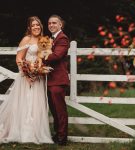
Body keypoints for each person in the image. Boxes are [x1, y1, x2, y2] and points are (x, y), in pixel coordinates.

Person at [0, 16, 53, 144]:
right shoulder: (26, 39)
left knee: (36, 105)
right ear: (29, 27)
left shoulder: (43, 39)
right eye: (33, 25)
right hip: (26, 78)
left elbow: (45, 56)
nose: (36, 27)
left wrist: (40, 69)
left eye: (38, 25)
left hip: (38, 77)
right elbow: (19, 59)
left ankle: (35, 133)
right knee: (25, 103)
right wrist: (27, 73)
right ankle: (22, 132)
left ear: (41, 26)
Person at [44, 15, 70, 146]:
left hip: (58, 80)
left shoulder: (63, 38)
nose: (51, 25)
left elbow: (56, 56)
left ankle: (62, 138)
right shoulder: (49, 39)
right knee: (54, 110)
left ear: (60, 25)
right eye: (49, 23)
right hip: (50, 80)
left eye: (54, 23)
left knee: (60, 110)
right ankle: (57, 134)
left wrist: (39, 58)